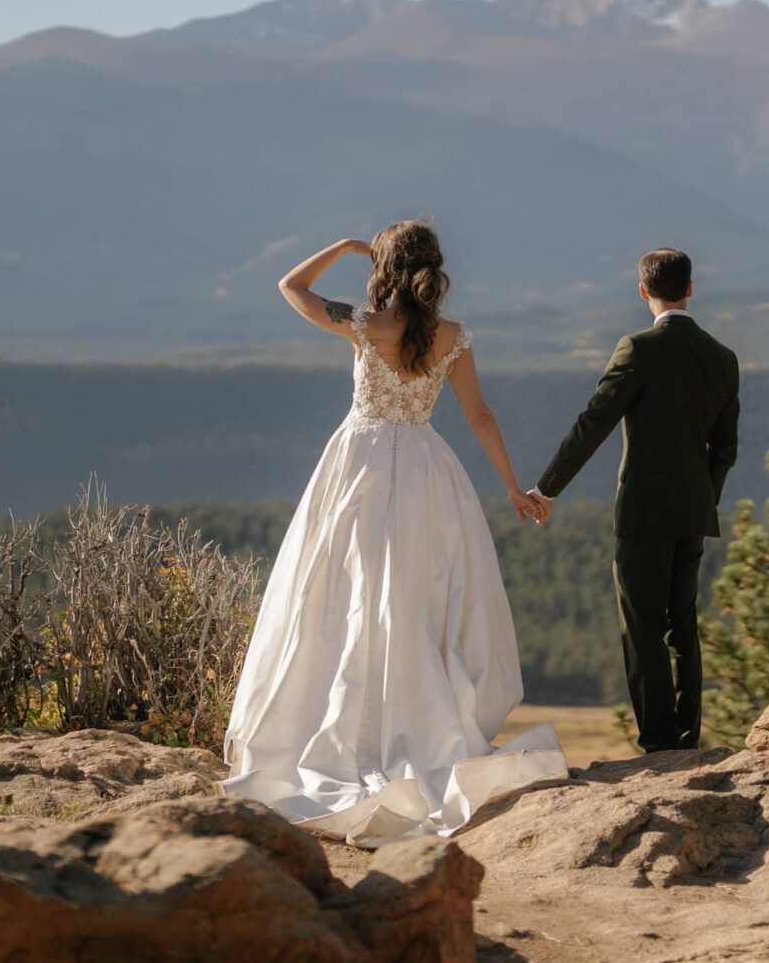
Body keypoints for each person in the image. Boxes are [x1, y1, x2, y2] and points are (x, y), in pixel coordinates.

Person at [221, 220, 567, 843]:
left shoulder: (366, 324)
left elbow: (291, 286)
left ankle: (337, 729)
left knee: (341, 592)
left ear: (385, 266)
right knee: (414, 600)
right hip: (428, 473)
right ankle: (416, 723)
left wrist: (345, 247)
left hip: (359, 465)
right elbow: (480, 414)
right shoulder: (454, 337)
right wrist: (514, 488)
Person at [526, 247, 740, 753]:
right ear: (690, 288)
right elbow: (725, 449)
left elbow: (593, 423)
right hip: (695, 509)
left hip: (643, 511)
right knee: (682, 621)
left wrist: (548, 487)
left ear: (643, 291)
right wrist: (704, 499)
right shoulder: (723, 358)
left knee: (642, 625)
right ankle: (687, 734)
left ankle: (660, 742)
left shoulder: (638, 350)